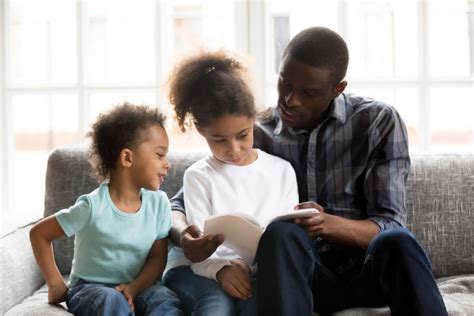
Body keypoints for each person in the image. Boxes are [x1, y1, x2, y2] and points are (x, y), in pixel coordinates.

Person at [170, 27, 448, 315]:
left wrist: (325, 224)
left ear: (337, 88)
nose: (291, 100)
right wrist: (184, 236)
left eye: (309, 92)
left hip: (367, 272)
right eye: (284, 83)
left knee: (398, 241)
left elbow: (389, 223)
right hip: (301, 275)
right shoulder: (256, 131)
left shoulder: (377, 121)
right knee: (281, 235)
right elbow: (181, 202)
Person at [162, 51, 299, 316]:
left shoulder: (282, 171)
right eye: (219, 140)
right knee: (217, 308)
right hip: (197, 270)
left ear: (253, 121)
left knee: (256, 305)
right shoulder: (199, 176)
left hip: (252, 272)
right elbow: (199, 253)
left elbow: (284, 240)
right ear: (201, 132)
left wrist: (245, 270)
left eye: (242, 135)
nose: (234, 149)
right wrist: (222, 270)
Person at [30, 103, 183, 316]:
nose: (168, 164)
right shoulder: (92, 206)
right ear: (127, 158)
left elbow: (157, 259)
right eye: (160, 155)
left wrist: (133, 288)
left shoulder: (159, 204)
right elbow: (39, 234)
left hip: (140, 286)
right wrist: (55, 284)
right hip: (91, 288)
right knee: (109, 300)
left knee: (164, 299)